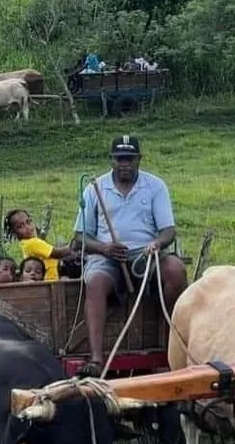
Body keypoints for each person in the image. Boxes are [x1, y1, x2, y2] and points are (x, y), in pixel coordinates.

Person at [73, 135, 187, 377]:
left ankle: (172, 345)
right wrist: (104, 248)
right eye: (120, 159)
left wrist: (156, 244)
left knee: (175, 269)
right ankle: (96, 359)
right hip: (107, 255)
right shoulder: (95, 188)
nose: (125, 164)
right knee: (94, 282)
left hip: (144, 255)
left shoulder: (155, 186)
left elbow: (169, 231)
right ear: (112, 160)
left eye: (130, 159)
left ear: (139, 160)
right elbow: (80, 236)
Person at [4, 208, 78, 281]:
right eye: (21, 226)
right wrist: (76, 244)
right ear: (14, 233)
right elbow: (57, 253)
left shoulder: (26, 244)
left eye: (28, 222)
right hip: (51, 280)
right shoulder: (32, 243)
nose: (28, 227)